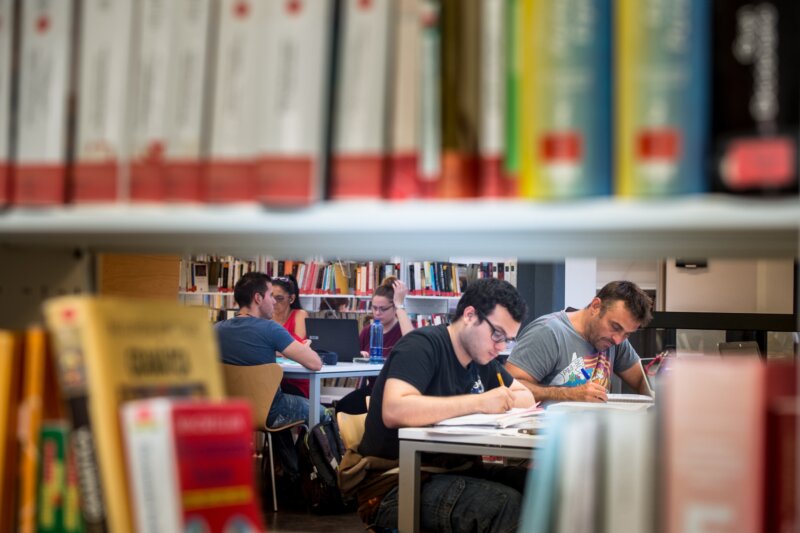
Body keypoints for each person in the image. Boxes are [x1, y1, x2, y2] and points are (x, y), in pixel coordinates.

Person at [349, 278, 535, 532]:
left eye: (508, 340)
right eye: (497, 334)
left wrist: (500, 399)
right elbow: (394, 410)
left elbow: (526, 397)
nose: (500, 346)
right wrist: (479, 402)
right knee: (504, 505)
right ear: (470, 315)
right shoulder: (421, 346)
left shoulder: (482, 359)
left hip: (454, 470)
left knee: (539, 486)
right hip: (396, 484)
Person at [506, 280, 653, 403]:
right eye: (615, 327)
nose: (618, 339)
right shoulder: (548, 332)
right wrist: (567, 394)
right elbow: (510, 386)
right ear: (596, 306)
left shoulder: (616, 340)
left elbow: (642, 381)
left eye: (627, 334)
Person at [215, 272, 328, 427]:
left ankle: (288, 453)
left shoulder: (217, 330)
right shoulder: (271, 329)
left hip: (231, 410)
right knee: (324, 414)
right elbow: (315, 363)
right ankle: (323, 452)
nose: (274, 301)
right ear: (258, 298)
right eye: (270, 295)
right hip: (270, 410)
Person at [271, 274, 311, 398]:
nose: (274, 302)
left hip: (295, 380)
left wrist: (271, 349)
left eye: (279, 298)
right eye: (271, 297)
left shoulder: (300, 314)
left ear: (291, 298)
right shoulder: (266, 317)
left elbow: (296, 348)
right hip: (273, 378)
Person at [358, 276, 414, 358]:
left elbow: (413, 345)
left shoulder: (404, 328)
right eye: (374, 308)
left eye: (383, 309)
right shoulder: (367, 331)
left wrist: (399, 304)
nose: (377, 313)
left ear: (395, 307)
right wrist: (360, 355)